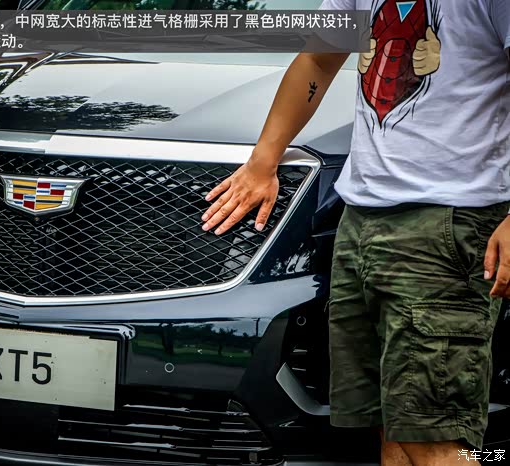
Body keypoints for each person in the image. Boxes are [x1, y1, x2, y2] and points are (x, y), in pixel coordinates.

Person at [201, 1, 510, 465]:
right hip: (361, 219)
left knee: (435, 438)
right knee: (393, 429)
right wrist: (264, 160)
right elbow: (317, 59)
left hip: (449, 223)